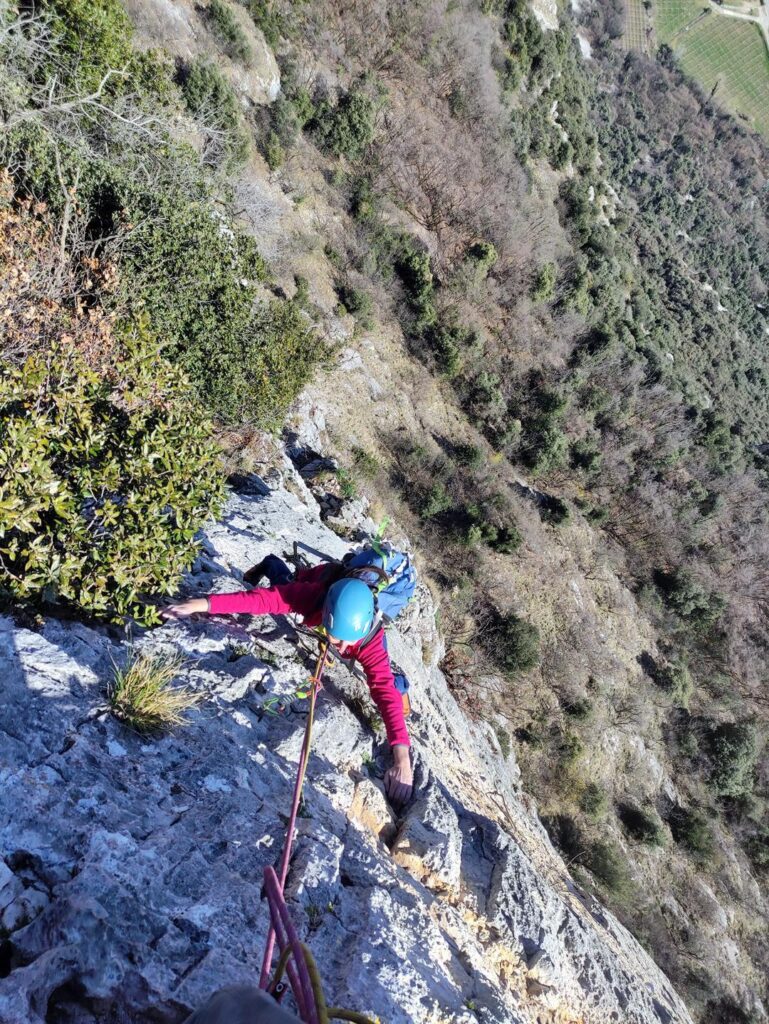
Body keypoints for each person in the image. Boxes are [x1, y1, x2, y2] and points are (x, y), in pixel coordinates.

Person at [162, 555, 413, 803]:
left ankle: (403, 685)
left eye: (349, 640)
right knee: (284, 583)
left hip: (349, 616)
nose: (345, 646)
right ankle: (271, 563)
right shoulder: (312, 595)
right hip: (315, 581)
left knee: (390, 681)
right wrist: (200, 604)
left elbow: (382, 689)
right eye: (338, 638)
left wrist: (402, 757)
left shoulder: (370, 640)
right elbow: (263, 601)